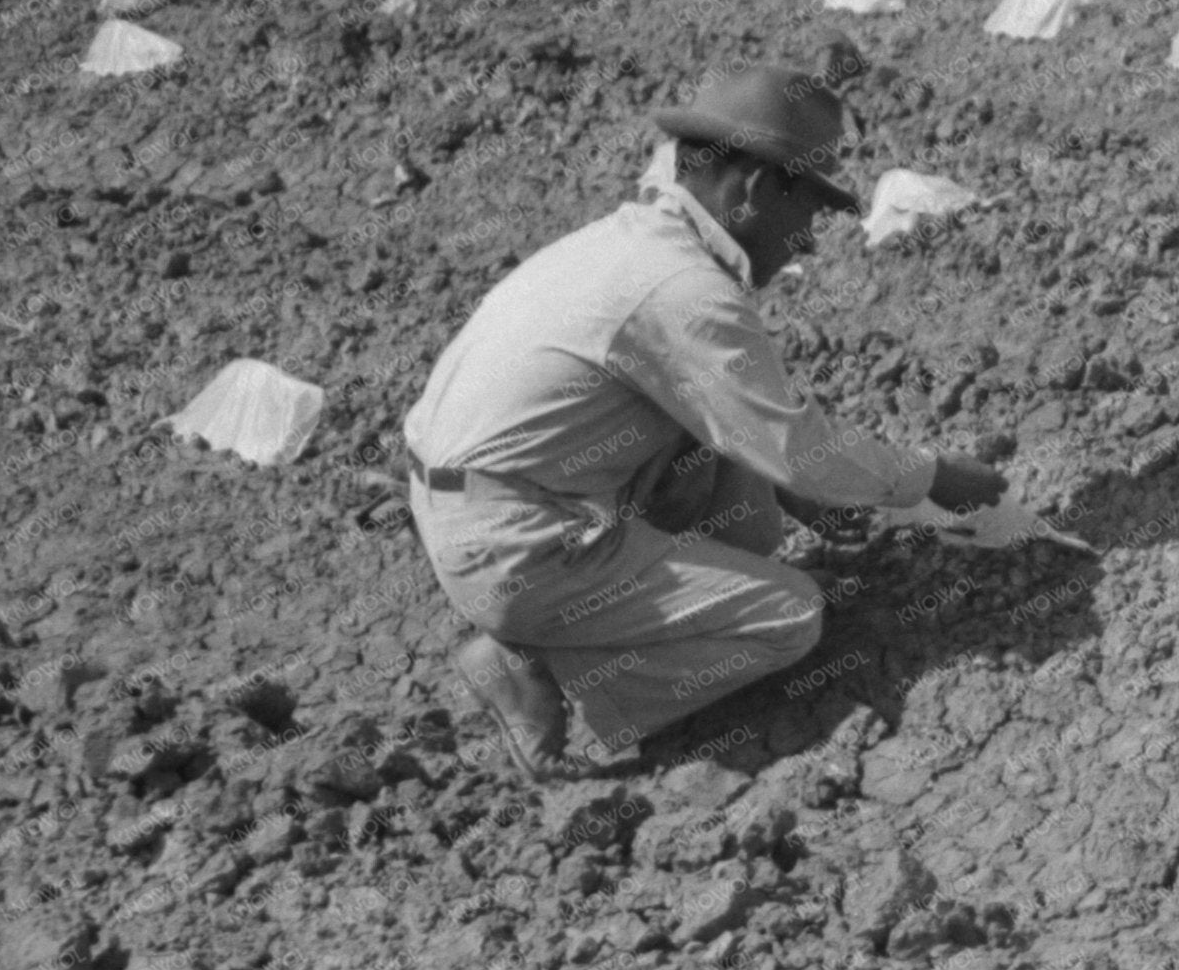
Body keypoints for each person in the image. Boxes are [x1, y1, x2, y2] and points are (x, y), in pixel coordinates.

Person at [398, 63, 1006, 776]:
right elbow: (800, 448)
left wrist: (788, 481)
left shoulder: (628, 245)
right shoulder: (681, 289)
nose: (806, 241)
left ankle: (569, 626)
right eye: (807, 212)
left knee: (745, 512)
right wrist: (932, 475)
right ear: (751, 191)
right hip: (516, 541)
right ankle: (545, 672)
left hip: (484, 504)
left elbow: (746, 429)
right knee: (789, 616)